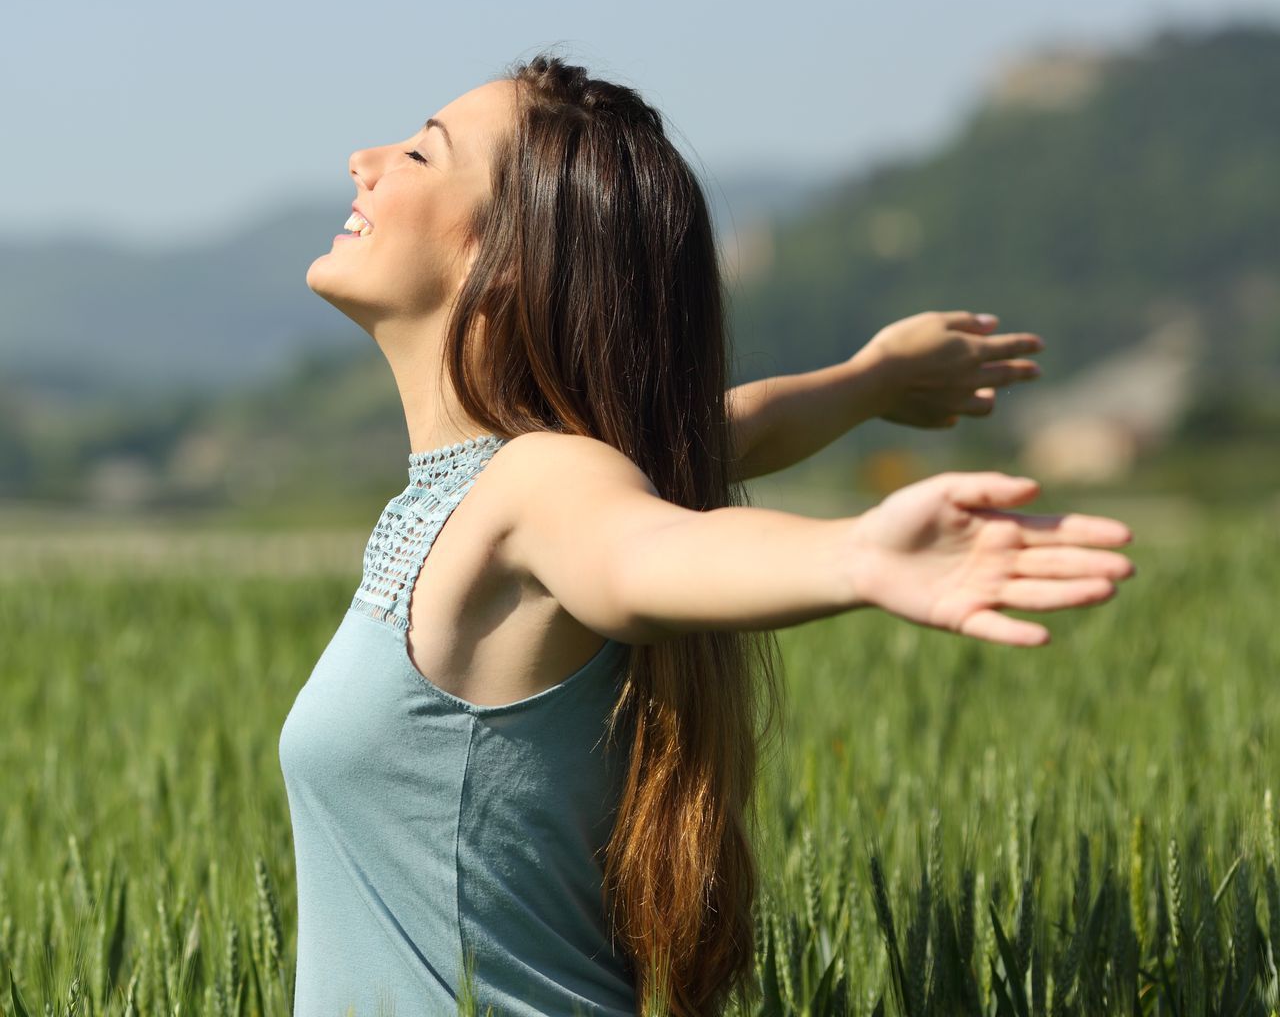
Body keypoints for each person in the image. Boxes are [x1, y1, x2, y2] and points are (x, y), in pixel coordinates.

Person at [278, 52, 1135, 1017]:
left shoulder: (543, 482)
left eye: (419, 155)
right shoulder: (492, 488)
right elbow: (726, 429)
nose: (364, 159)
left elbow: (640, 554)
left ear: (506, 259)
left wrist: (854, 554)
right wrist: (867, 382)